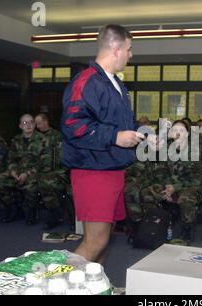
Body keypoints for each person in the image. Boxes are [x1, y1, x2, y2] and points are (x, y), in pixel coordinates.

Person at [61, 24, 145, 264]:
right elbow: (73, 126)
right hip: (93, 170)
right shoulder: (86, 81)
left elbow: (123, 123)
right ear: (116, 49)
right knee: (94, 242)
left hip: (112, 168)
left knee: (104, 241)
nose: (131, 54)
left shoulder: (115, 83)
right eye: (129, 49)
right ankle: (54, 288)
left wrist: (146, 135)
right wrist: (115, 137)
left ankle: (95, 287)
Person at [0, 114, 50, 225]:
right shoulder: (16, 140)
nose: (28, 125)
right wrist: (13, 172)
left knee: (30, 186)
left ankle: (31, 213)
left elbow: (44, 163)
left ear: (34, 124)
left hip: (35, 172)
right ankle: (14, 208)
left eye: (31, 122)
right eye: (24, 123)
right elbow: (11, 159)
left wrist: (27, 173)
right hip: (17, 172)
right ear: (20, 126)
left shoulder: (43, 139)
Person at [35, 114, 70, 230]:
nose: (37, 126)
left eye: (39, 123)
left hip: (58, 171)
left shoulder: (57, 136)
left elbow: (62, 157)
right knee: (40, 181)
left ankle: (55, 215)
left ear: (46, 122)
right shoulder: (36, 137)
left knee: (46, 182)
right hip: (39, 171)